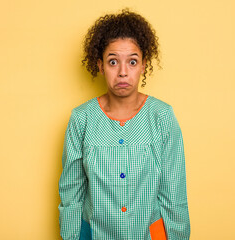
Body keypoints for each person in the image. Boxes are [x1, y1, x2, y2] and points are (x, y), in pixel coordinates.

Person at [58, 9, 190, 240]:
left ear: (143, 65)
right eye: (112, 62)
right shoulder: (82, 119)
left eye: (132, 61)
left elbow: (174, 194)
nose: (122, 72)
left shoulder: (162, 117)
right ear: (99, 66)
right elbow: (71, 194)